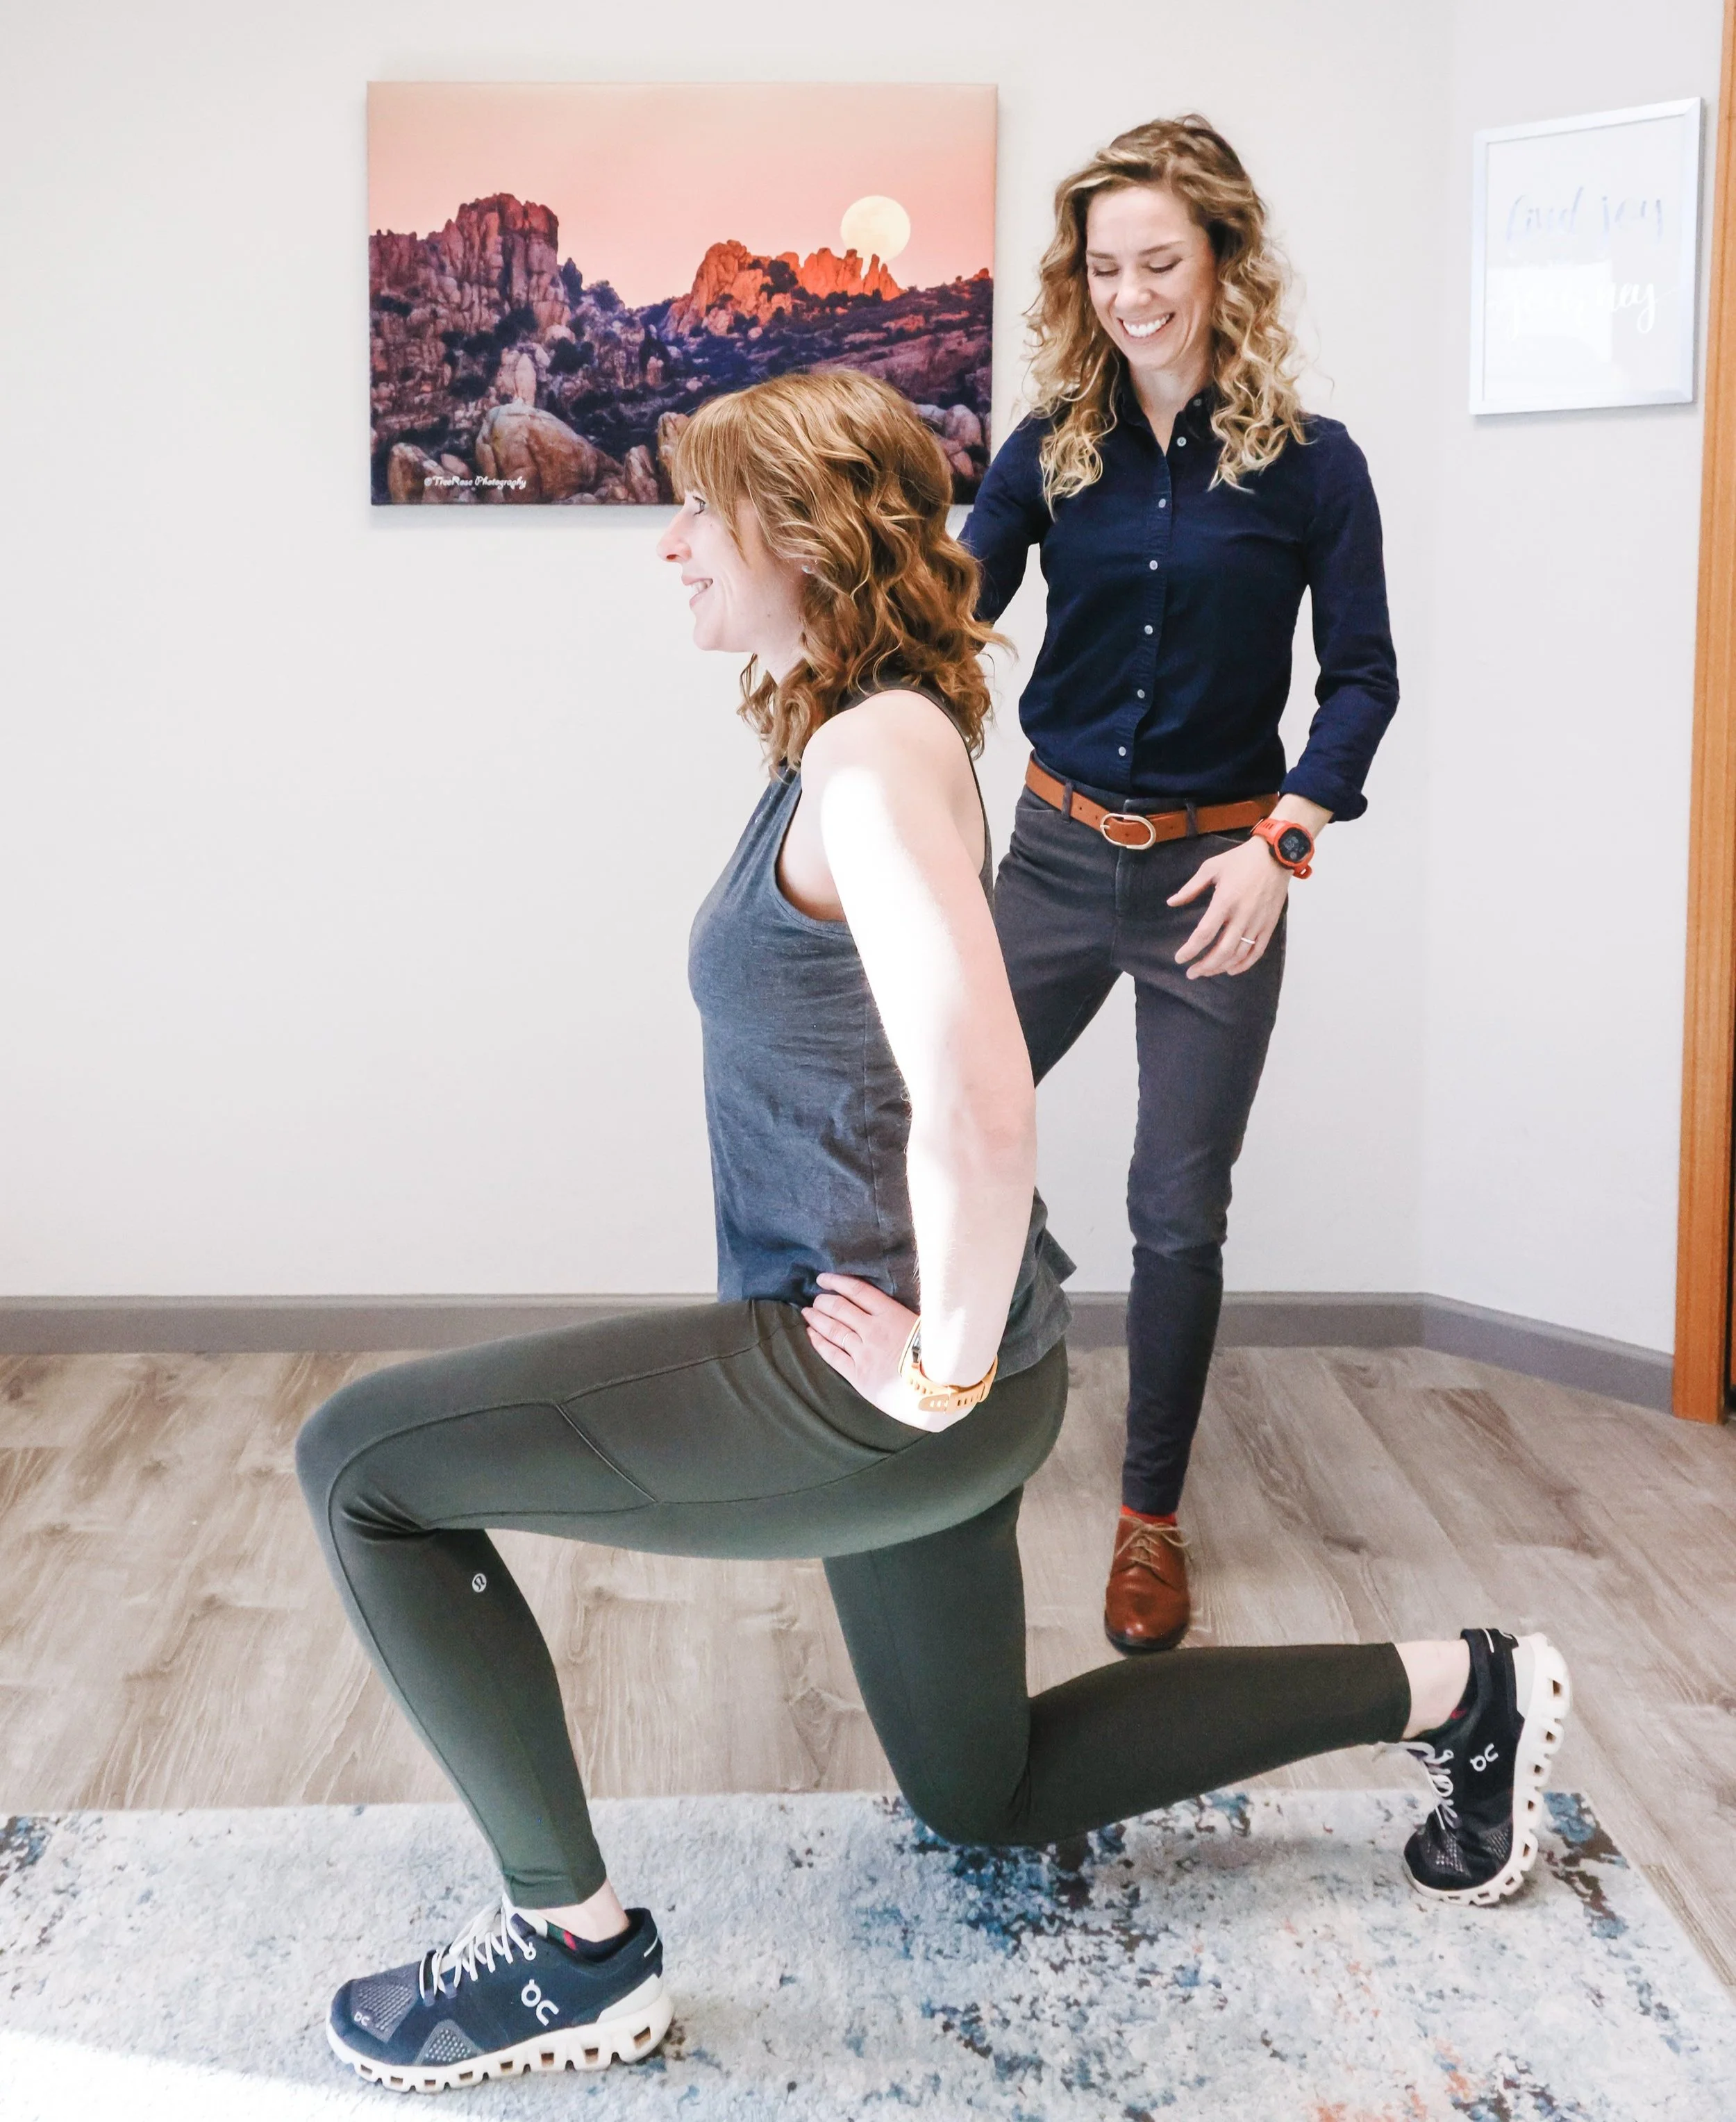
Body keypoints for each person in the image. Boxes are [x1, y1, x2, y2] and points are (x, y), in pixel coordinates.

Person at [297, 370, 1565, 2096]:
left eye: (696, 512)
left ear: (803, 535)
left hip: (878, 1379)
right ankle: (1462, 1688)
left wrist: (939, 1377)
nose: (666, 545)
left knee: (360, 1458)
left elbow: (983, 1101)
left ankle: (572, 1951)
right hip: (944, 1352)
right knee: (988, 1793)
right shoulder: (858, 723)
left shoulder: (874, 754)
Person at [962, 117, 1402, 1655]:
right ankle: (952, 1406)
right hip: (1057, 856)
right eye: (1104, 267)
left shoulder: (1308, 465)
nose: (1132, 295)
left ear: (1222, 262)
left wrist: (1284, 845)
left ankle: (1147, 1521)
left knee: (1176, 1211)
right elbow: (960, 601)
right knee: (941, 1119)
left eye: (1160, 261)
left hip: (1220, 875)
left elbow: (1358, 681)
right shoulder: (1046, 446)